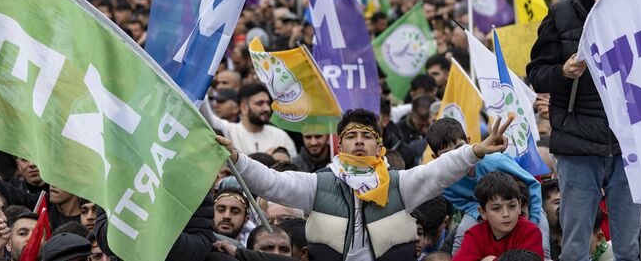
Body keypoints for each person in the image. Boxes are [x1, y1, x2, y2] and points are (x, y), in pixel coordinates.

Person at [217, 108, 513, 261]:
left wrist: (474, 151)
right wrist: (238, 159)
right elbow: (272, 183)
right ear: (341, 144)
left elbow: (438, 170)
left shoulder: (400, 184)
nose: (359, 141)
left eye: (367, 136)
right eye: (352, 136)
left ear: (378, 145)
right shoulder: (318, 185)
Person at [527, 0, 641, 261]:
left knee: (628, 246)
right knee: (576, 243)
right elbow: (536, 72)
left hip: (629, 146)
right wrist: (563, 72)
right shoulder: (564, 15)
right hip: (578, 144)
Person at [426, 118, 543, 255]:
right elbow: (464, 203)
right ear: (436, 158)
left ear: (469, 142)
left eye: (459, 148)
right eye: (448, 155)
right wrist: (482, 214)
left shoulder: (495, 161)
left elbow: (533, 184)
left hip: (521, 204)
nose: (457, 156)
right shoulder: (444, 181)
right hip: (482, 210)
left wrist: (534, 219)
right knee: (463, 233)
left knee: (541, 232)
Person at [452, 172, 544, 261]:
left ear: (519, 206)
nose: (506, 214)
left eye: (512, 206)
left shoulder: (529, 231)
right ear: (483, 212)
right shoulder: (475, 235)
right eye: (496, 208)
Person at [203, 83, 297, 156]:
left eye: (268, 103)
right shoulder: (229, 130)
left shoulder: (281, 136)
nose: (267, 108)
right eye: (260, 103)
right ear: (244, 108)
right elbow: (207, 117)